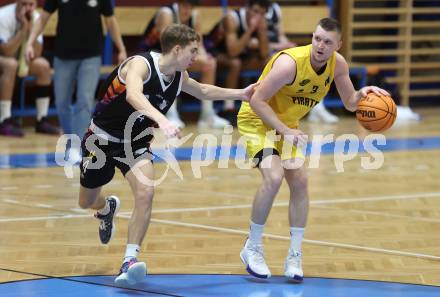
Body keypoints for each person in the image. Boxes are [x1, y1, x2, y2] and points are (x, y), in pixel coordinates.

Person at [77, 24, 255, 286]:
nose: (197, 57)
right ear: (177, 48)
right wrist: (163, 120)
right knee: (86, 201)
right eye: (194, 51)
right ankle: (105, 208)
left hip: (135, 143)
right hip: (100, 139)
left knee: (146, 192)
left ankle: (129, 260)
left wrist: (242, 93)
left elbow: (203, 91)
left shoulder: (179, 76)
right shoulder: (140, 65)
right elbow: (134, 95)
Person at [237, 18, 389, 282]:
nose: (320, 45)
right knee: (273, 179)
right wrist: (284, 131)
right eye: (317, 38)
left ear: (338, 45)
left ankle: (294, 254)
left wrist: (363, 94)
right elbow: (257, 100)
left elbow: (350, 103)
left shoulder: (338, 64)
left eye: (327, 41)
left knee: (301, 182)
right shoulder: (290, 64)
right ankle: (252, 246)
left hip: (288, 125)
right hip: (257, 119)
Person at [25, 0, 127, 161]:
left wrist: (121, 48)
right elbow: (43, 18)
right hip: (63, 56)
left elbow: (110, 20)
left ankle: (75, 146)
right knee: (61, 101)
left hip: (91, 56)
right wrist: (30, 42)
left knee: (85, 99)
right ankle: (71, 139)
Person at [141, 0, 230, 129]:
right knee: (173, 63)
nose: (188, 9)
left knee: (210, 63)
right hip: (153, 55)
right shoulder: (167, 13)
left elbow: (199, 44)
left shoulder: (195, 15)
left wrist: (203, 56)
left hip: (178, 55)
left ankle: (207, 115)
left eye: (191, 6)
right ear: (179, 3)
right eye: (185, 5)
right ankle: (171, 113)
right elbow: (167, 46)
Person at [0, 0, 60, 137]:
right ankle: (4, 119)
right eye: (24, 4)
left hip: (19, 58)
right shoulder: (3, 16)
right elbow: (6, 52)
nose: (27, 8)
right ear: (17, 3)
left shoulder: (36, 18)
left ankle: (41, 120)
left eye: (31, 4)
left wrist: (31, 30)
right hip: (4, 57)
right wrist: (23, 29)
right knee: (11, 64)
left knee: (43, 66)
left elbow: (36, 54)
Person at [206, 0, 270, 125]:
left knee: (269, 62)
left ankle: (264, 105)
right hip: (215, 54)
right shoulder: (232, 19)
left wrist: (262, 32)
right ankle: (228, 108)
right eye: (255, 11)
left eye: (262, 14)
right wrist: (251, 30)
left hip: (240, 57)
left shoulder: (261, 23)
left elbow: (264, 54)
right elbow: (232, 52)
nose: (258, 17)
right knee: (235, 63)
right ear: (247, 8)